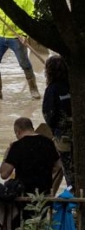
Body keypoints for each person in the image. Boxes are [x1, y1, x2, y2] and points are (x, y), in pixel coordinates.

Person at [0, 117, 60, 230]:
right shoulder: (48, 143)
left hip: (23, 199)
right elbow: (58, 167)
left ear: (17, 131)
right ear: (32, 128)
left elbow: (4, 174)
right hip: (43, 198)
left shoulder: (17, 146)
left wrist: (7, 155)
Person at [42, 55, 73, 188]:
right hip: (79, 135)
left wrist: (54, 130)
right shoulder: (75, 85)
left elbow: (49, 114)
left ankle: (74, 196)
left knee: (68, 171)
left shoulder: (52, 89)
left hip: (63, 137)